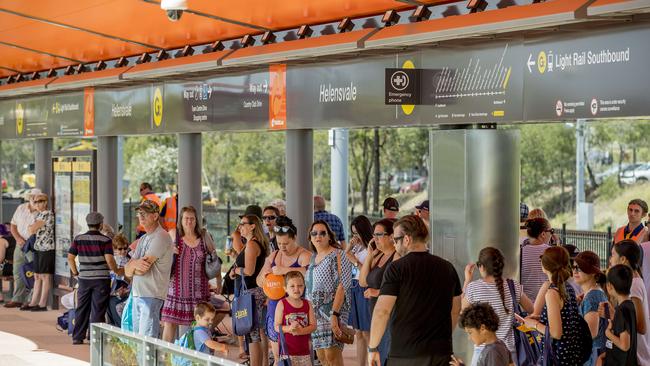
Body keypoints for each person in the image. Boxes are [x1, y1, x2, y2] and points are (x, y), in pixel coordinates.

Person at [367, 215, 461, 366]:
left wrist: (372, 348)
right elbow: (456, 309)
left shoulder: (396, 268)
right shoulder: (447, 268)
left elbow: (382, 311)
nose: (395, 245)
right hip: (441, 354)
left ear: (407, 239)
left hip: (405, 354)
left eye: (396, 240)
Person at [462, 247, 534, 362]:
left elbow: (463, 313)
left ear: (481, 266)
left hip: (483, 351)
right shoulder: (513, 286)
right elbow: (532, 309)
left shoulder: (473, 287)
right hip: (510, 352)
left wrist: (467, 280)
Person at [256, 215, 311, 364]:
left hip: (297, 313)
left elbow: (309, 274)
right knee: (279, 359)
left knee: (300, 358)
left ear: (295, 238)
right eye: (279, 243)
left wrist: (284, 270)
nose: (282, 247)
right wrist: (266, 276)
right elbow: (259, 281)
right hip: (275, 311)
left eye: (286, 243)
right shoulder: (273, 256)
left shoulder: (304, 255)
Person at [522, 246, 583, 365]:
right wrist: (541, 319)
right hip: (571, 353)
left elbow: (556, 333)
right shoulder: (567, 287)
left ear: (545, 266)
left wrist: (534, 324)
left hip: (556, 356)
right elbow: (564, 320)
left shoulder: (552, 292)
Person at [68, 212, 121, 345]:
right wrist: (116, 270)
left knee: (82, 307)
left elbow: (70, 257)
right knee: (98, 308)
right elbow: (109, 259)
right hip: (101, 279)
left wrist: (76, 273)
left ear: (88, 224)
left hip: (84, 279)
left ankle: (77, 337)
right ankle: (94, 337)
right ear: (101, 224)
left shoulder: (78, 239)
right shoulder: (105, 240)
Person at [305, 220, 353, 366]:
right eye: (314, 233)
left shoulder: (338, 255)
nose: (318, 236)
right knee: (322, 357)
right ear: (310, 238)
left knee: (333, 356)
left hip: (332, 310)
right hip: (316, 313)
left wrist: (334, 314)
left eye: (322, 233)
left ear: (329, 237)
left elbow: (343, 286)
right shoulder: (313, 258)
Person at [161, 206, 213, 342]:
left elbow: (214, 259)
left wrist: (218, 281)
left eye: (192, 218)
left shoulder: (204, 236)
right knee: (170, 324)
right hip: (175, 289)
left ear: (196, 221)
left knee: (199, 325)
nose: (189, 221)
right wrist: (168, 250)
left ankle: (194, 358)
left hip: (198, 290)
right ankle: (165, 358)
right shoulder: (173, 234)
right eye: (186, 218)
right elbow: (159, 255)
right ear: (181, 220)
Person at [125, 199, 174, 338]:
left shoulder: (161, 236)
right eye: (139, 213)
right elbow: (127, 272)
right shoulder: (143, 239)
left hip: (151, 295)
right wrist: (133, 265)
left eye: (145, 213)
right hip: (137, 294)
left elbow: (141, 269)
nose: (141, 216)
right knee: (138, 342)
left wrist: (132, 266)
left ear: (155, 215)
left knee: (147, 343)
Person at [359, 218, 399, 366]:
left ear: (391, 236)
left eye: (379, 235)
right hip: (375, 312)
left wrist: (377, 292)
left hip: (389, 314)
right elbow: (363, 281)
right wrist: (369, 255)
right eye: (374, 235)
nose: (375, 239)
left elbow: (400, 286)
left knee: (385, 355)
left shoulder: (397, 256)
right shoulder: (378, 255)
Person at [231, 214, 269, 366]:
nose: (240, 226)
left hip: (252, 292)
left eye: (243, 223)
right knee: (253, 334)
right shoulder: (250, 244)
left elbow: (249, 271)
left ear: (253, 226)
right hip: (252, 291)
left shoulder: (253, 245)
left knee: (253, 335)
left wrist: (236, 271)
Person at [609, 239, 650, 364]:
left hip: (636, 355)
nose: (610, 259)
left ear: (623, 260)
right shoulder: (632, 278)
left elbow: (642, 327)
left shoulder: (634, 284)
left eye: (613, 255)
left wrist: (617, 320)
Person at [4, 188, 39, 309]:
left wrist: (27, 241)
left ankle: (31, 300)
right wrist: (18, 239)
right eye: (31, 197)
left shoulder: (41, 212)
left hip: (32, 245)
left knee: (32, 272)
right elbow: (13, 225)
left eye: (35, 197)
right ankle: (17, 298)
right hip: (20, 244)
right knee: (17, 271)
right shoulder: (21, 208)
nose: (33, 199)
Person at [274, 271, 317, 366]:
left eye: (300, 285)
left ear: (304, 286)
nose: (296, 289)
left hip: (305, 352)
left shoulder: (308, 304)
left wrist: (300, 331)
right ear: (285, 288)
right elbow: (276, 327)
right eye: (292, 286)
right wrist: (289, 328)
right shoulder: (282, 304)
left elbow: (313, 326)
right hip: (287, 353)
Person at [573, 251, 608, 366]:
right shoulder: (591, 294)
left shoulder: (592, 297)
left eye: (580, 268)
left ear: (593, 273)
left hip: (592, 357)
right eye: (574, 267)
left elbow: (590, 333)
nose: (575, 271)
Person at [346, 215, 373, 366]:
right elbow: (345, 256)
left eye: (357, 233)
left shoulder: (371, 247)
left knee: (368, 332)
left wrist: (355, 261)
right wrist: (350, 247)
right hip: (354, 288)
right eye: (353, 233)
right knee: (359, 333)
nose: (355, 236)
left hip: (365, 288)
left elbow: (367, 273)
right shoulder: (358, 246)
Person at [22, 193, 54, 312]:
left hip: (46, 249)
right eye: (35, 202)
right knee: (37, 276)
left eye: (40, 201)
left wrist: (32, 227)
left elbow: (31, 229)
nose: (38, 204)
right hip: (38, 248)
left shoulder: (47, 214)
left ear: (45, 202)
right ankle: (33, 302)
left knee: (45, 276)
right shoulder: (39, 215)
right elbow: (30, 229)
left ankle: (42, 303)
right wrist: (32, 227)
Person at [601, 264, 637, 366]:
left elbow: (624, 345)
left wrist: (608, 333)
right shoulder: (630, 306)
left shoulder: (622, 310)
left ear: (610, 286)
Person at [520, 218, 552, 301]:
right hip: (547, 302)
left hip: (525, 303)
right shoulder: (550, 252)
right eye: (551, 231)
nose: (552, 235)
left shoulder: (520, 252)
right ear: (543, 234)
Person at [107, 234, 130, 326]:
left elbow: (132, 280)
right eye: (120, 249)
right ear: (114, 249)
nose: (123, 251)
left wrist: (126, 289)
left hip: (124, 292)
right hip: (112, 291)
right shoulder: (110, 260)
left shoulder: (129, 261)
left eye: (125, 248)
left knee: (113, 304)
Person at [0, 224, 16, 303]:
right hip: (19, 267)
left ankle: (0, 296)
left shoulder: (2, 240)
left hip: (9, 268)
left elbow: (0, 258)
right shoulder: (15, 238)